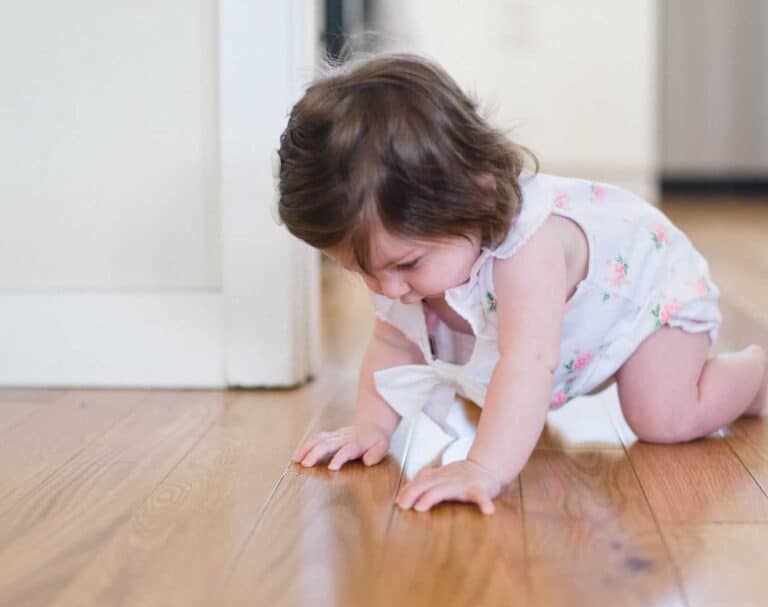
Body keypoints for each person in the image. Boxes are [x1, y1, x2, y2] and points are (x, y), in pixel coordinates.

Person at [278, 53, 767, 515]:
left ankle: (754, 377)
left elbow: (528, 362)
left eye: (406, 264)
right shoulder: (408, 266)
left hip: (647, 296)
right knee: (479, 383)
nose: (386, 289)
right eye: (360, 270)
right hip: (583, 322)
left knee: (662, 416)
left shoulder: (527, 251)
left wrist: (483, 467)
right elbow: (393, 346)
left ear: (476, 195)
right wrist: (370, 427)